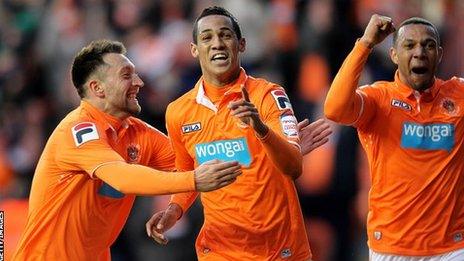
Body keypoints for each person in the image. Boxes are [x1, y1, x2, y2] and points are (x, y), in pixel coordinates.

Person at [12, 39, 243, 260]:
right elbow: (121, 177)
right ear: (97, 88)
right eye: (126, 75)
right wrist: (194, 180)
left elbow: (194, 161)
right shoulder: (76, 130)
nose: (139, 82)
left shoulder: (137, 133)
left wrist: (249, 143)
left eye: (136, 73)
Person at [146, 6, 331, 261]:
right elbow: (186, 172)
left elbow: (294, 167)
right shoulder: (178, 112)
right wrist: (174, 210)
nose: (217, 44)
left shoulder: (269, 95)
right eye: (207, 37)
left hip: (279, 248)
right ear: (194, 49)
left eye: (225, 35)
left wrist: (260, 129)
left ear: (241, 44)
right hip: (220, 250)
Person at [323, 14, 464, 260]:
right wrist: (365, 43)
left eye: (428, 45)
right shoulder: (379, 99)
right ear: (394, 55)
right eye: (409, 45)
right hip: (391, 246)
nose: (420, 52)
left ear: (440, 55)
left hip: (451, 248)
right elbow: (334, 109)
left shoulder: (459, 94)